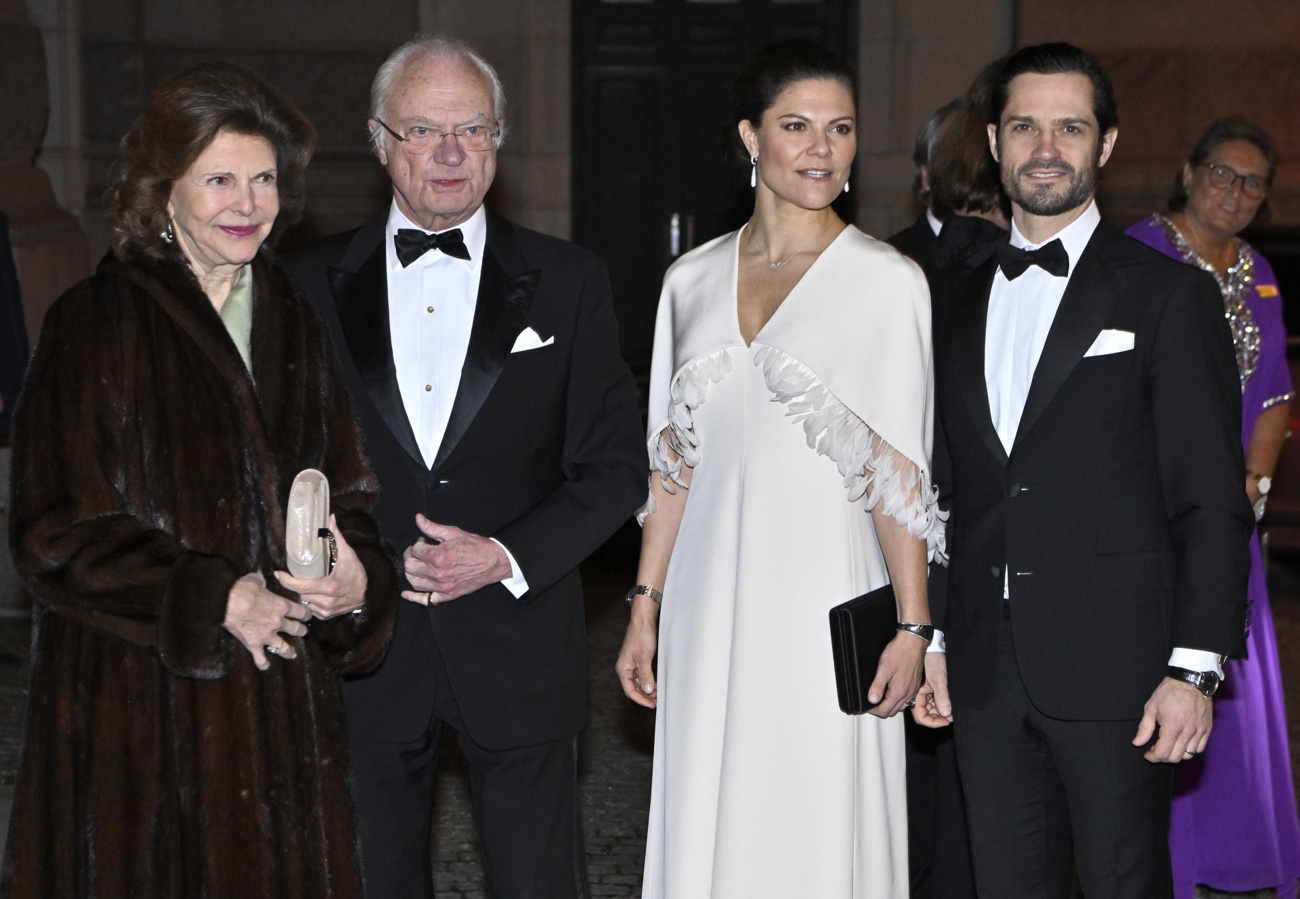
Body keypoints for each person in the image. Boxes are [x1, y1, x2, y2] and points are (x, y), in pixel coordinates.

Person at [1, 62, 398, 896]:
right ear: (162, 190)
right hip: (140, 724)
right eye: (219, 179)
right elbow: (53, 532)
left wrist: (356, 578)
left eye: (263, 179)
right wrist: (212, 596)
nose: (248, 203)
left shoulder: (294, 319)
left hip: (285, 725)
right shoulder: (96, 321)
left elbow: (347, 496)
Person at [280, 35, 645, 898]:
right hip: (363, 639)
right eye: (422, 130)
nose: (449, 152)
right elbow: (282, 462)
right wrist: (335, 566)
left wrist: (506, 555)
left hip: (520, 646)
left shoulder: (569, 279)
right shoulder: (301, 283)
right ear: (379, 141)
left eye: (471, 130)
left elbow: (614, 468)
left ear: (498, 140)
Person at [917, 43, 1253, 898]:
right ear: (993, 141)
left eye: (1070, 127)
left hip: (1122, 674)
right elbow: (952, 486)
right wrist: (940, 636)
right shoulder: (951, 297)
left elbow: (1211, 501)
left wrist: (1194, 669)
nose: (1045, 147)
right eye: (1025, 125)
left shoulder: (1166, 297)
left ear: (1104, 146)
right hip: (987, 676)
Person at [616, 39, 944, 898]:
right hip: (708, 602)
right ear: (751, 138)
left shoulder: (886, 281)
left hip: (825, 604)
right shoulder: (688, 283)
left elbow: (900, 476)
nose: (821, 149)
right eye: (796, 126)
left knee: (816, 827)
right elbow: (671, 466)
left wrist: (914, 627)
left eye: (839, 129)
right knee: (712, 816)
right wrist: (646, 605)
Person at [1126, 116, 1300, 899]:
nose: (1235, 192)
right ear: (1189, 173)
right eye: (1222, 174)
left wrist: (1253, 491)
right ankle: (1161, 861)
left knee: (1233, 694)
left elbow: (1275, 393)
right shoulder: (1138, 251)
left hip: (1229, 518)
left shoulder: (1259, 269)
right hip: (1149, 508)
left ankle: (1235, 859)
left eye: (1253, 182)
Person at [888, 96, 960, 264]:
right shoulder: (892, 260)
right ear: (926, 175)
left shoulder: (1009, 256)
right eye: (952, 154)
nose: (969, 168)